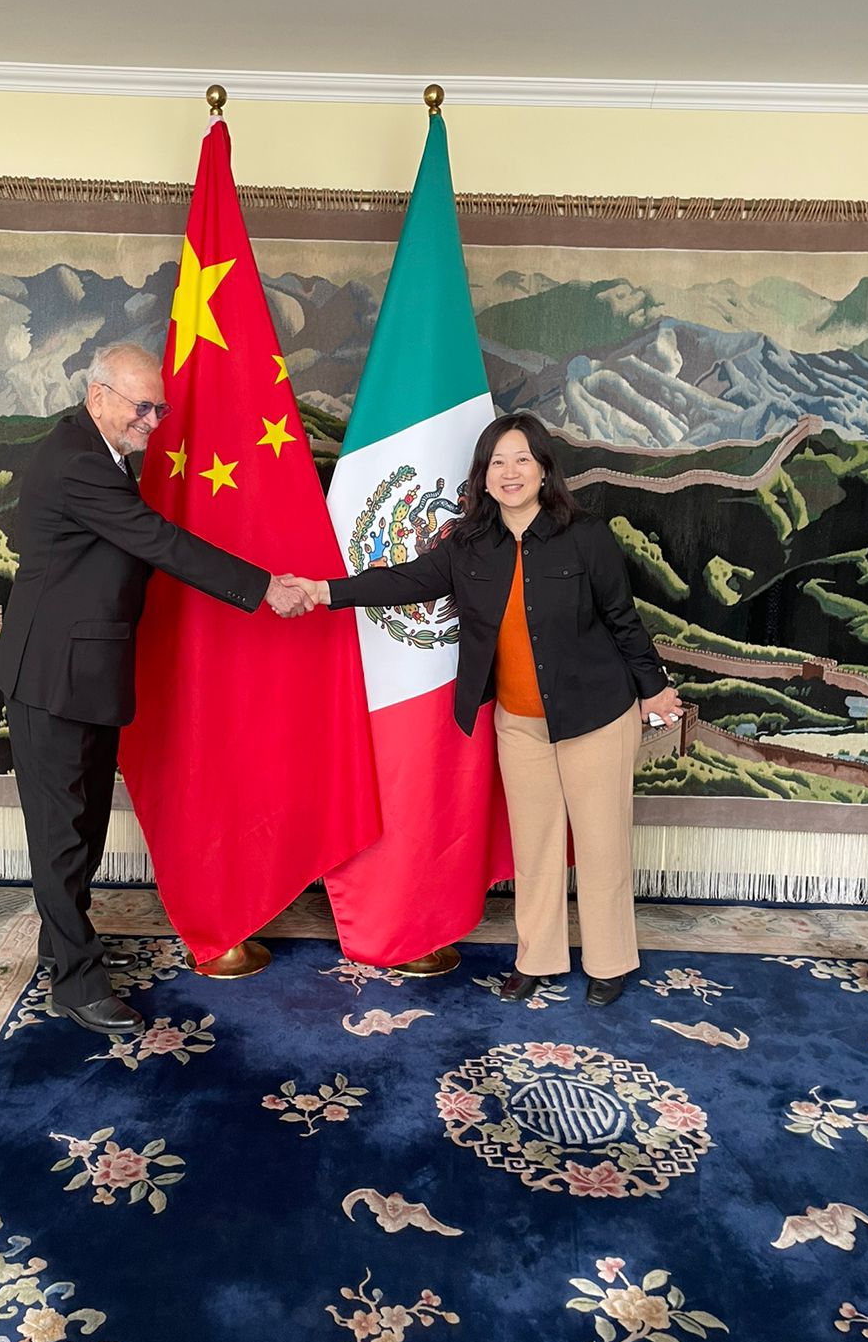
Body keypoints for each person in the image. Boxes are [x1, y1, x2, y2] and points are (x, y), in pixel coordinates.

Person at [289, 412, 681, 1006]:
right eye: (498, 462)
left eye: (522, 459)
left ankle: (609, 962)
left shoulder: (586, 536)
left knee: (601, 846)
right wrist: (324, 591)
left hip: (596, 718)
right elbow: (404, 582)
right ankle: (536, 959)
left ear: (545, 470)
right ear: (483, 476)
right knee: (535, 847)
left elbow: (622, 618)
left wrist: (653, 688)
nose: (510, 472)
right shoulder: (468, 546)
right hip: (519, 725)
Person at [0, 342, 310, 1036]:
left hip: (86, 671)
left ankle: (59, 946)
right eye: (142, 406)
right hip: (50, 676)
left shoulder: (100, 450)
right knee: (60, 835)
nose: (153, 421)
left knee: (81, 828)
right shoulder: (78, 461)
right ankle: (77, 984)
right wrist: (262, 587)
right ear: (97, 396)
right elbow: (157, 540)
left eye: (159, 409)